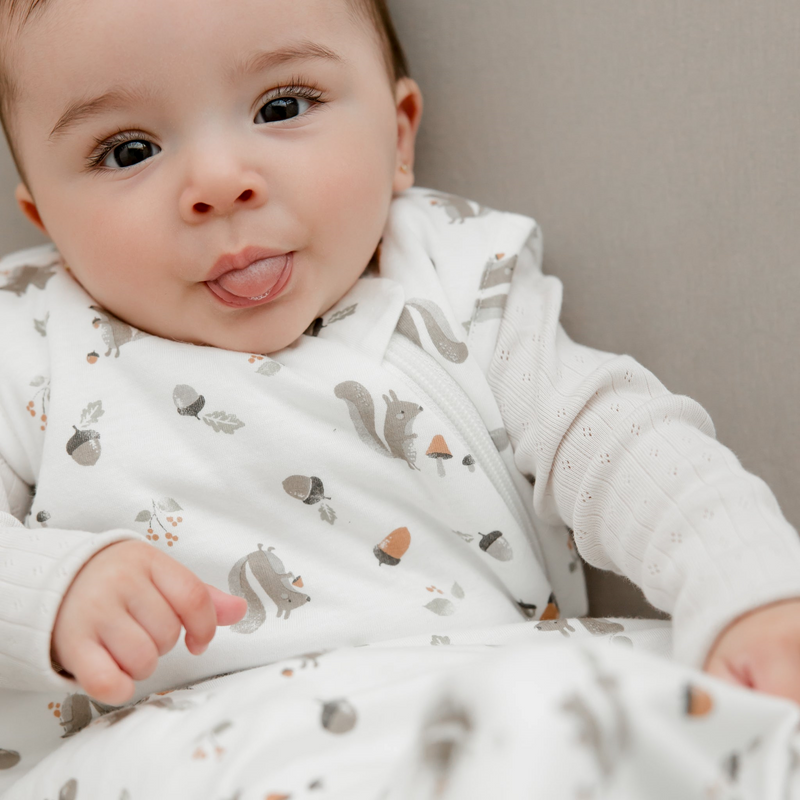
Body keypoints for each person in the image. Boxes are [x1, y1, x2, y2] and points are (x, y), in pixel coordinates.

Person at [2, 0, 800, 794]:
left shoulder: (455, 282)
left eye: (281, 106)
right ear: (45, 215)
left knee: (701, 717)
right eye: (128, 150)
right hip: (187, 750)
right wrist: (50, 588)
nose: (217, 183)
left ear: (399, 133)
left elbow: (616, 440)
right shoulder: (30, 336)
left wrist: (746, 588)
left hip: (488, 699)